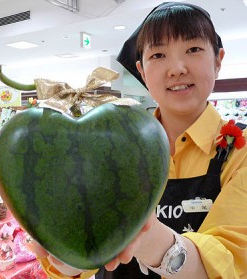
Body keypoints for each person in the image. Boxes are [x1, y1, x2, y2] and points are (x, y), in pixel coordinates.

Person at [28, 2, 247, 278]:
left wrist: (143, 236)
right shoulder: (110, 142)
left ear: (218, 60)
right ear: (142, 71)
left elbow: (231, 262)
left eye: (193, 49)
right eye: (158, 55)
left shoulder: (241, 150)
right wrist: (67, 257)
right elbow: (86, 248)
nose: (177, 68)